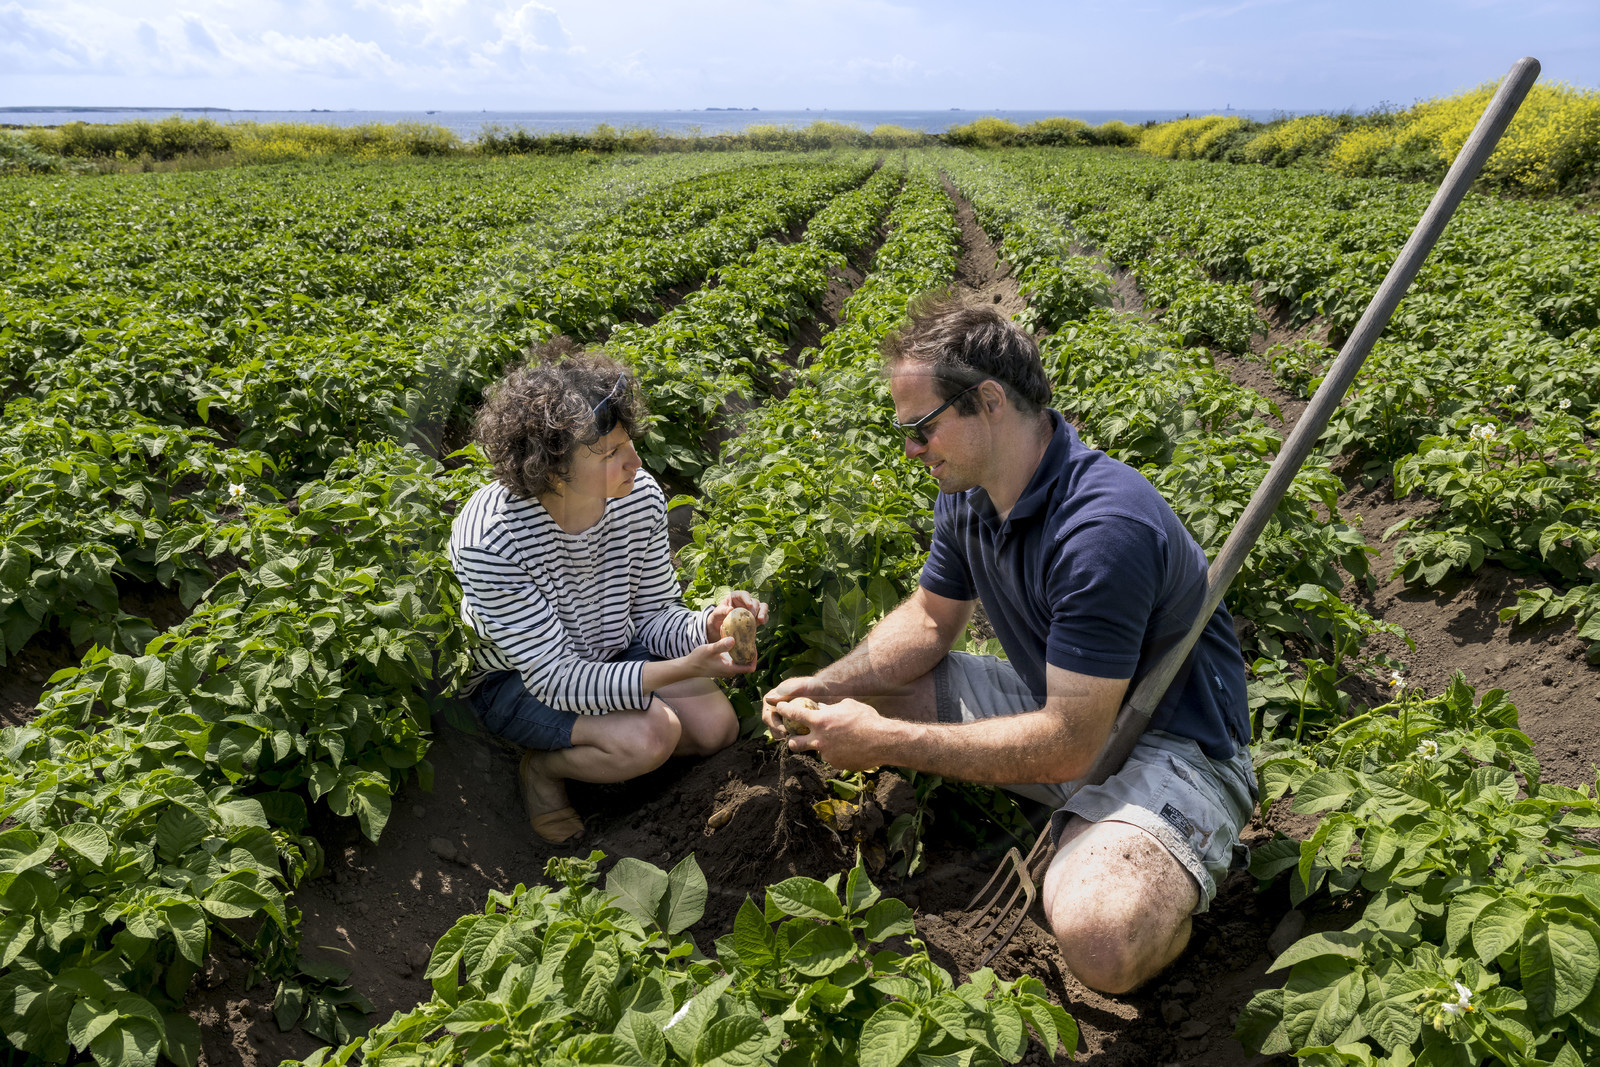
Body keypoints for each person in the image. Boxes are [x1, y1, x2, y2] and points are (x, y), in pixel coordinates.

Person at [764, 296, 1257, 995]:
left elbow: (1069, 743)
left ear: (988, 400)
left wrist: (886, 742)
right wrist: (832, 685)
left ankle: (1171, 860)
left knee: (1100, 936)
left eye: (922, 427)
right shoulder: (968, 491)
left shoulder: (1101, 529)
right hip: (1069, 708)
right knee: (875, 683)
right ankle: (1083, 825)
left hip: (1175, 748)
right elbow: (932, 621)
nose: (911, 450)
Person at [450, 338, 766, 844]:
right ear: (553, 466)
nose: (635, 461)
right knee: (652, 735)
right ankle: (545, 771)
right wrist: (686, 668)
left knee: (716, 730)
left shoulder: (636, 498)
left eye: (629, 442)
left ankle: (612, 770)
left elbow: (654, 613)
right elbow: (556, 680)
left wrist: (704, 625)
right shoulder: (492, 539)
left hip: (612, 650)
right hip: (521, 683)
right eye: (610, 452)